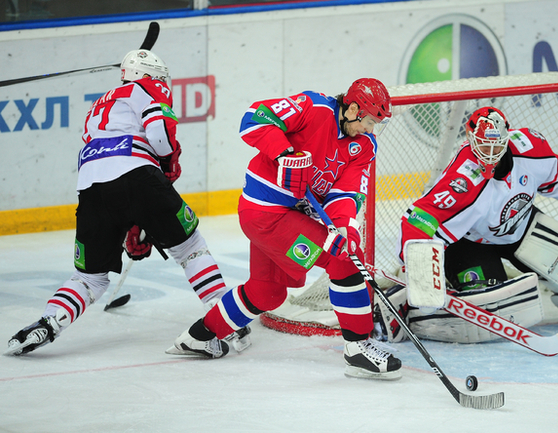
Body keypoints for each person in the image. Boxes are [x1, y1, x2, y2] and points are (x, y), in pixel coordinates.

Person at [5, 49, 249, 356]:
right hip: (138, 173)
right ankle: (226, 322)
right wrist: (167, 162)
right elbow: (158, 134)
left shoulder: (99, 104)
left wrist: (134, 223)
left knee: (90, 278)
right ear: (150, 75)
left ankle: (49, 322)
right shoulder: (149, 87)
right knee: (190, 247)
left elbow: (112, 177)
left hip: (91, 187)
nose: (163, 83)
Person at [168, 78, 402, 380]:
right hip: (266, 211)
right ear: (353, 109)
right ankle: (358, 350)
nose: (370, 129)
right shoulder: (314, 108)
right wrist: (284, 154)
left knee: (267, 292)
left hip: (288, 217)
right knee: (342, 262)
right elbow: (254, 118)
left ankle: (199, 337)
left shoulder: (364, 147)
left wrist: (345, 227)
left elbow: (346, 192)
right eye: (369, 121)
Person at [375, 106, 558, 345]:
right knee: (495, 306)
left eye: (497, 146)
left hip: (521, 227)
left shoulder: (530, 147)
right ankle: (408, 310)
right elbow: (419, 219)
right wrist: (419, 274)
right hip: (468, 244)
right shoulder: (462, 181)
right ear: (470, 140)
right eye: (484, 147)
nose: (491, 154)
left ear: (507, 137)